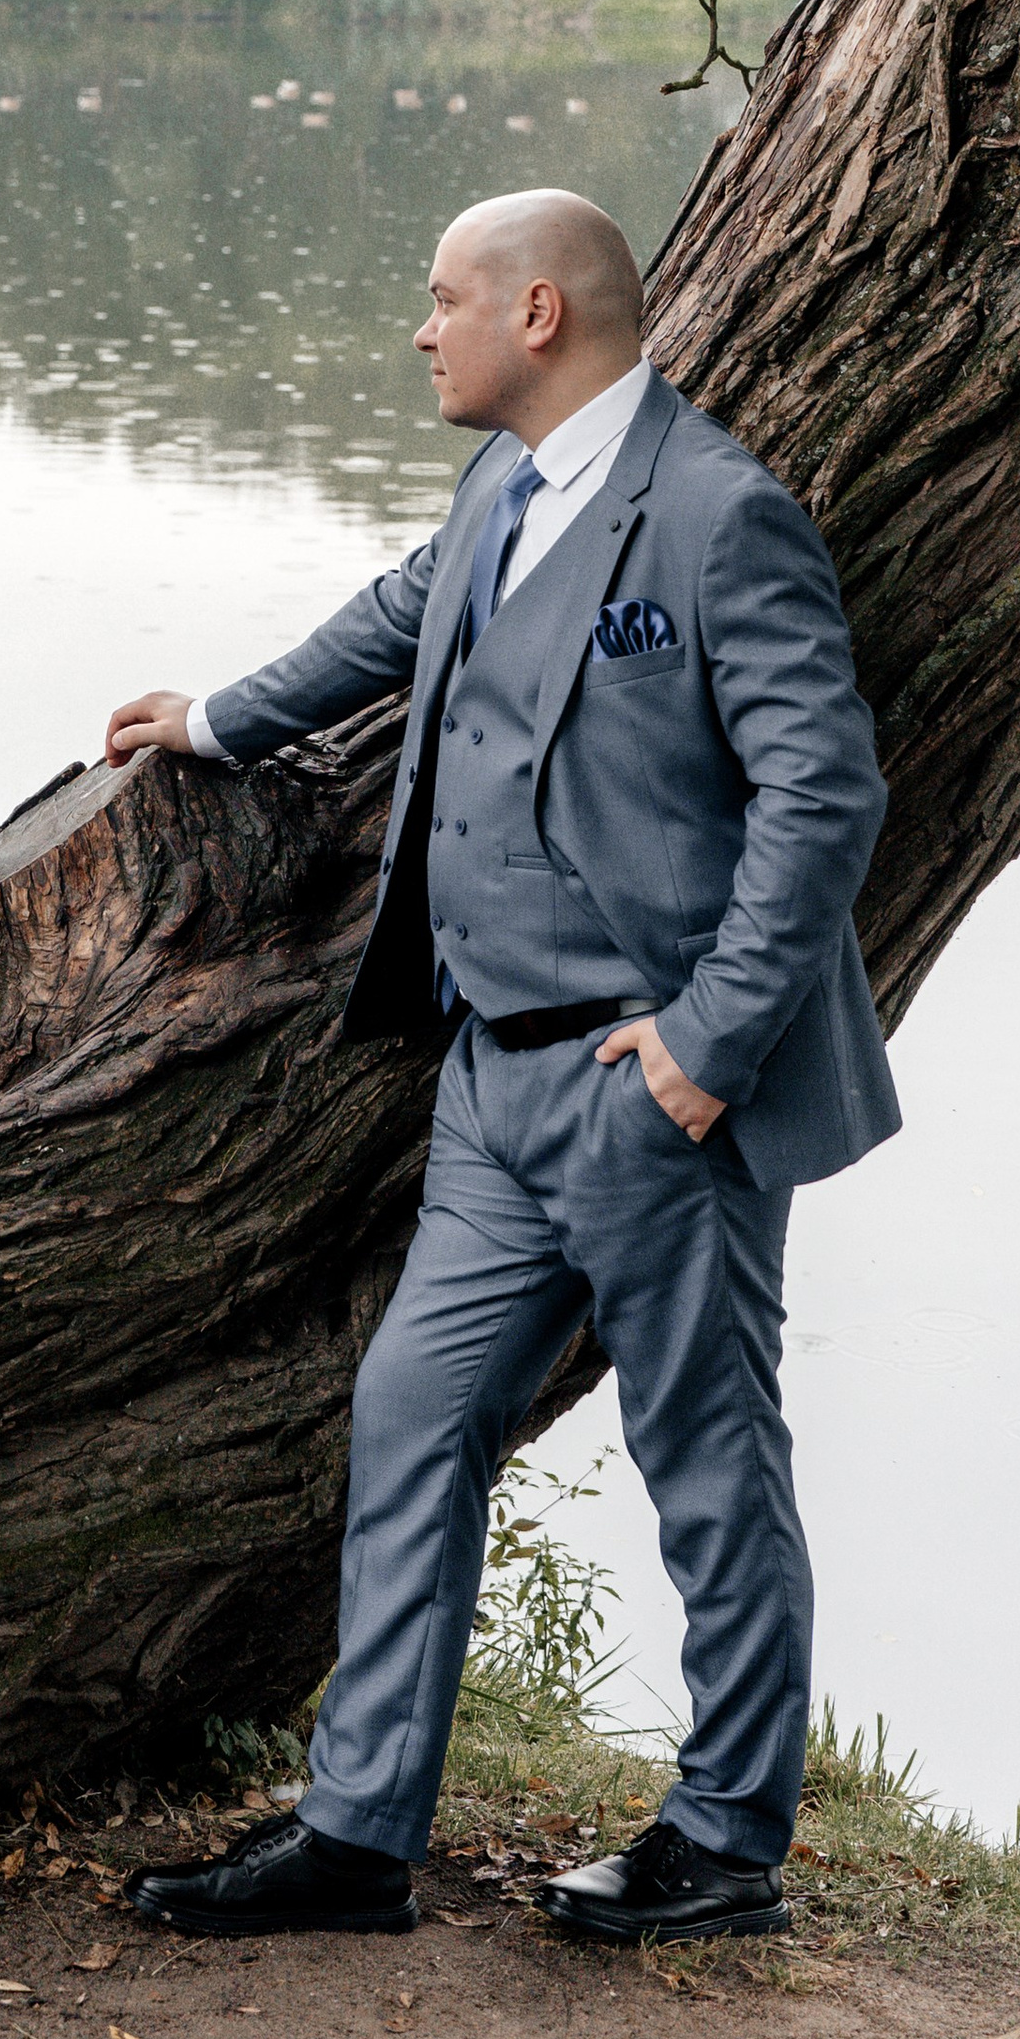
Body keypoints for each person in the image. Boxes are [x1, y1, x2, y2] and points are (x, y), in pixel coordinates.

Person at [106, 188, 891, 1949]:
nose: (421, 328)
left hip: (651, 1093)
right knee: (411, 1410)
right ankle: (356, 1834)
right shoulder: (500, 488)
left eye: (443, 298)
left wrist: (704, 1046)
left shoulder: (720, 513)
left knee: (710, 1459)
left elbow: (823, 795)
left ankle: (727, 1842)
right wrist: (215, 716)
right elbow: (398, 618)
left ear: (538, 312)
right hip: (488, 1081)